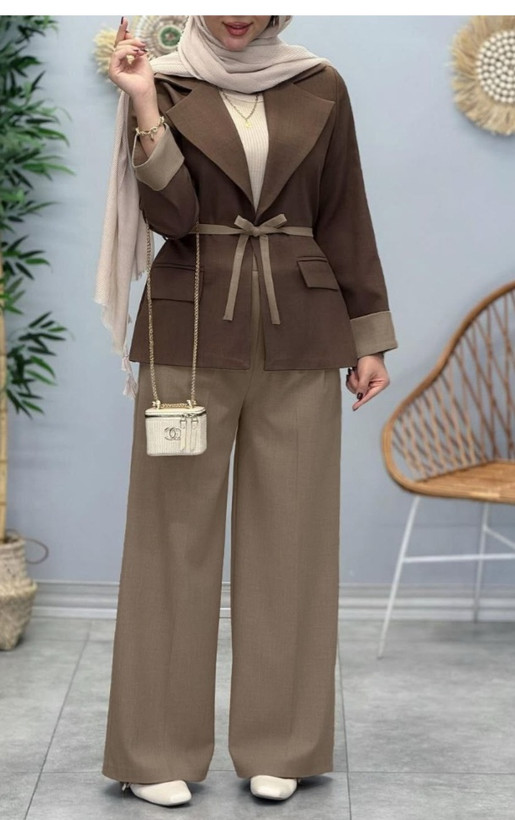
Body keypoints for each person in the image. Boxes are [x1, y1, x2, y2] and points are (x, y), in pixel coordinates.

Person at [96, 14, 397, 809]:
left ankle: (282, 746)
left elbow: (345, 214)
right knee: (170, 542)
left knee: (292, 543)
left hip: (303, 330)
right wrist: (142, 103)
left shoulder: (320, 82)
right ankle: (153, 751)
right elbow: (169, 217)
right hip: (189, 330)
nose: (238, 13)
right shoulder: (163, 81)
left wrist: (368, 338)